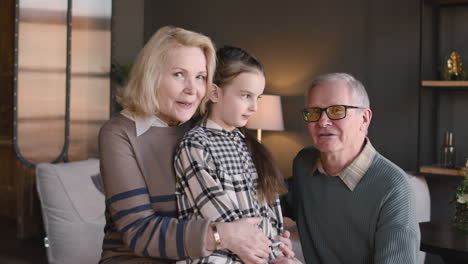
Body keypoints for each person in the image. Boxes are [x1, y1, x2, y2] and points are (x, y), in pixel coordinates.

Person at [99, 26, 278, 264]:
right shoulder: (120, 133)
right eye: (178, 74)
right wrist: (222, 235)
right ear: (151, 75)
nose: (192, 90)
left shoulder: (204, 130)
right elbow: (139, 231)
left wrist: (271, 241)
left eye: (200, 77)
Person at [174, 46, 296, 264]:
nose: (254, 107)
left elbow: (269, 210)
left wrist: (279, 245)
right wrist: (267, 252)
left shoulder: (249, 147)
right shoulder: (196, 144)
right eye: (245, 95)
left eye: (257, 97)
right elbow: (220, 216)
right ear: (214, 93)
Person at [282, 73, 420, 264]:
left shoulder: (394, 189)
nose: (322, 122)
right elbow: (269, 200)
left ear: (364, 119)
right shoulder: (303, 163)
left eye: (337, 110)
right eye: (314, 112)